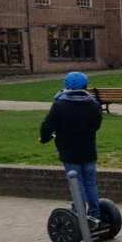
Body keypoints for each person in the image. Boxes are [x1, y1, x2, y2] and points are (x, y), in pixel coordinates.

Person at [40, 72, 103, 225]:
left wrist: (44, 138)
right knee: (90, 182)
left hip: (69, 151)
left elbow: (48, 125)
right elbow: (96, 125)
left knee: (76, 183)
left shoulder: (59, 104)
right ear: (85, 86)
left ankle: (79, 214)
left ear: (66, 86)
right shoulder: (93, 103)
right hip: (88, 150)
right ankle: (95, 213)